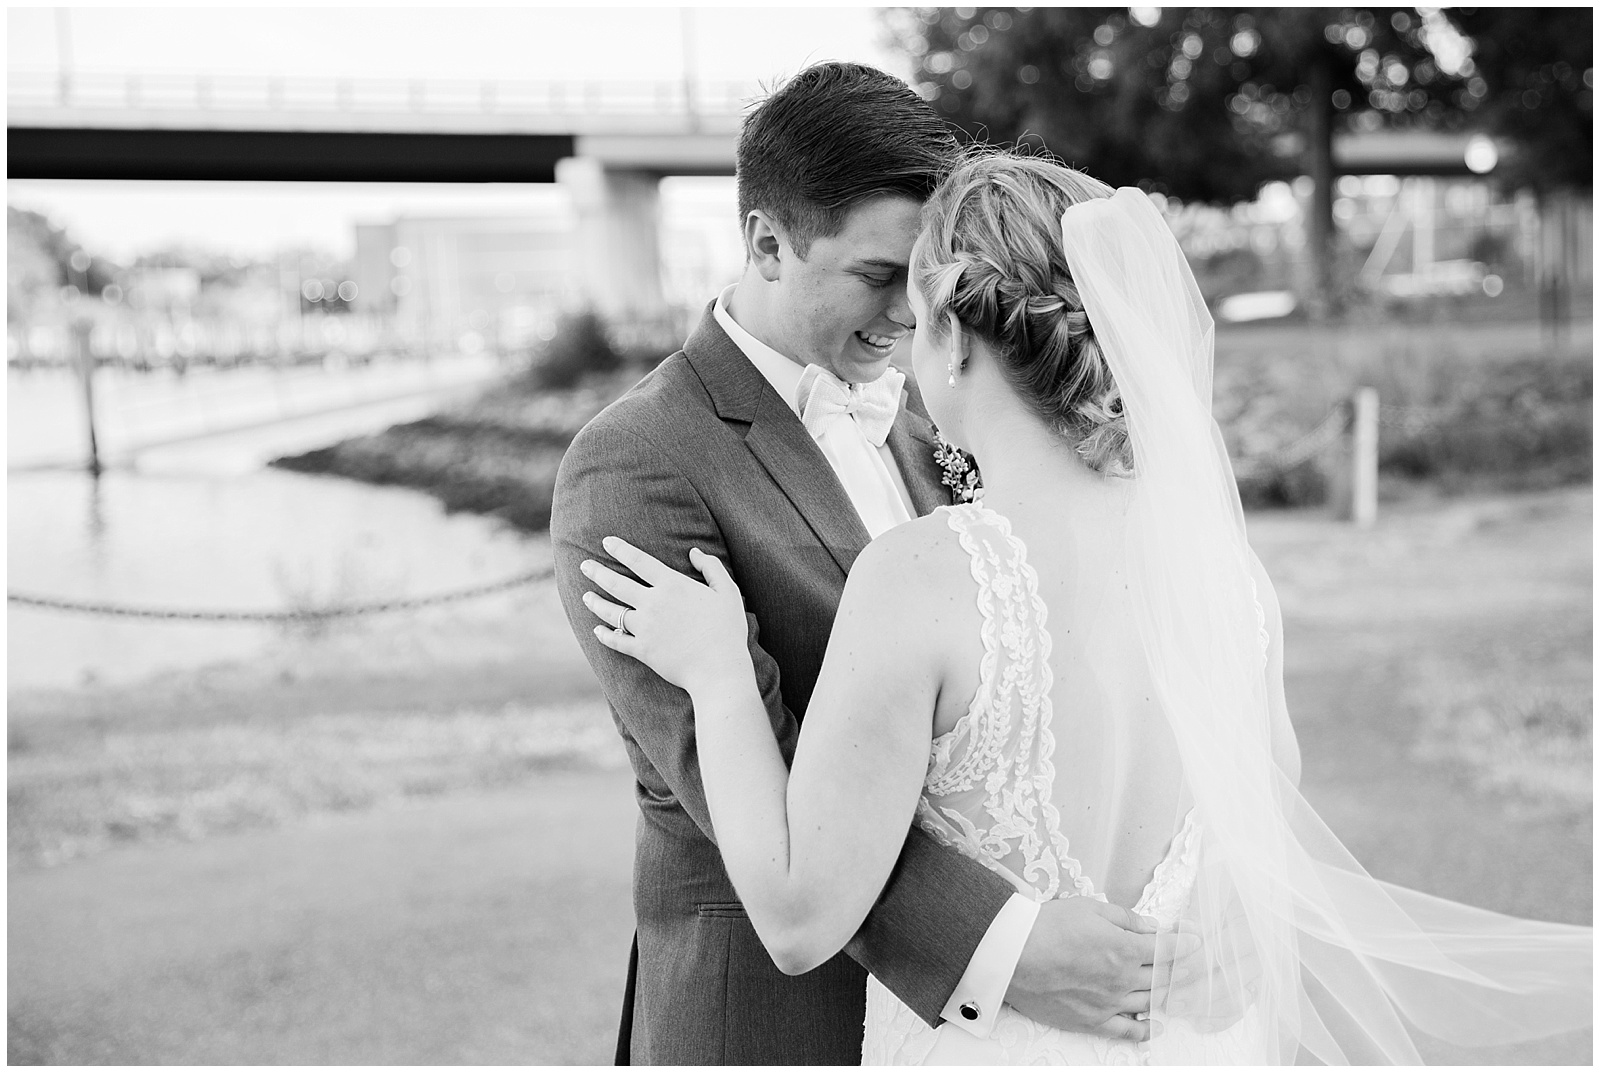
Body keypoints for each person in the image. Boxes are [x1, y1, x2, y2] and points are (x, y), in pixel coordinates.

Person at [578, 150, 1593, 1063]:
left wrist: (717, 674)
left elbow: (799, 918)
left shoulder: (923, 573)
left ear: (951, 330)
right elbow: (1258, 849)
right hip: (1188, 1037)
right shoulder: (1225, 580)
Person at [550, 65, 1168, 1066]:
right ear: (765, 242)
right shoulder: (635, 459)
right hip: (768, 1016)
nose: (908, 313)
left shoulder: (946, 410)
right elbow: (742, 782)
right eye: (880, 276)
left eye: (924, 281)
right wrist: (1008, 943)